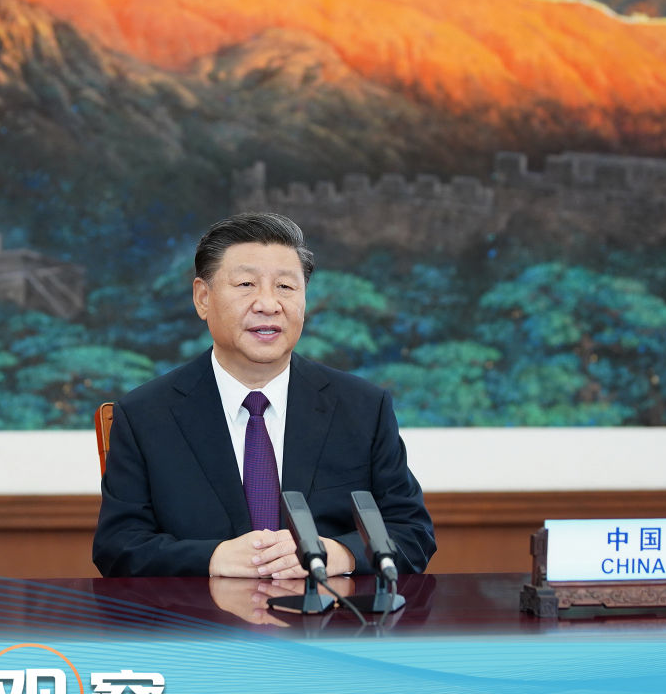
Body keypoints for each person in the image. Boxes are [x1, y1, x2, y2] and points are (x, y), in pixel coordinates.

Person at [92, 212, 435, 578]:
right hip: (200, 613)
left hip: (329, 611)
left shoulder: (362, 408)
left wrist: (338, 555)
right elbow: (118, 547)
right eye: (246, 284)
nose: (268, 304)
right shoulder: (145, 415)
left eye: (285, 287)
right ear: (203, 298)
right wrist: (212, 558)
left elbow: (412, 533)